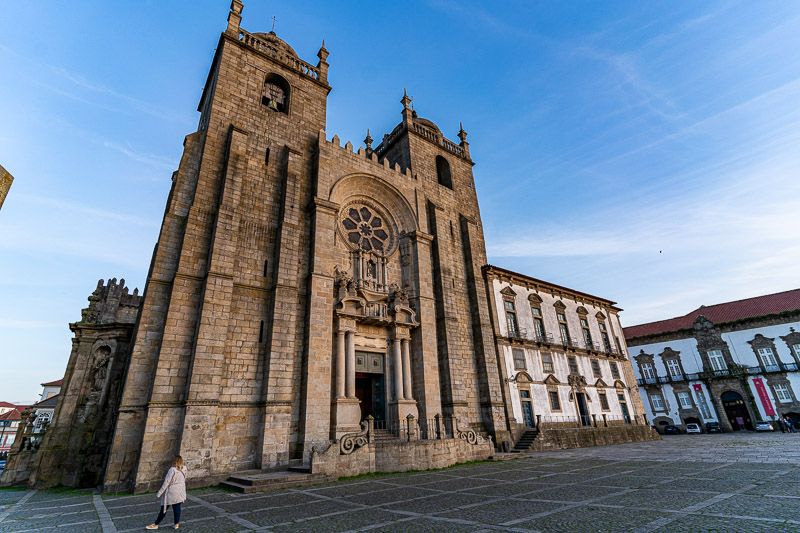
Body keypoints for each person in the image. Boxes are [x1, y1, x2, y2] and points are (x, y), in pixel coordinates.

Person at [146, 455, 187, 530]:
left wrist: (159, 493)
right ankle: (176, 524)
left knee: (164, 508)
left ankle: (156, 524)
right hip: (180, 491)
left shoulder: (172, 469)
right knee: (177, 508)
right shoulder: (184, 468)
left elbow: (166, 482)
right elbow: (184, 479)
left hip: (172, 492)